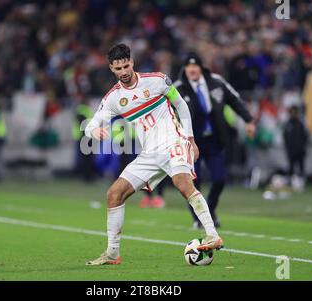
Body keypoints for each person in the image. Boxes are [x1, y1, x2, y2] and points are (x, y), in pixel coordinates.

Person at [84, 44, 222, 265]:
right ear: (111, 68)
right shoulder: (113, 98)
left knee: (182, 183)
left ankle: (212, 235)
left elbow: (181, 105)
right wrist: (94, 130)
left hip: (173, 142)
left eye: (126, 65)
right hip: (149, 153)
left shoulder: (158, 80)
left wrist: (190, 139)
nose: (124, 72)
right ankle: (112, 253)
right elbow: (91, 124)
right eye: (118, 68)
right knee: (114, 194)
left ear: (132, 62)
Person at [175, 53, 255, 229]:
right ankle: (198, 218)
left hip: (214, 140)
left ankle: (208, 212)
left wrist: (248, 120)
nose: (192, 70)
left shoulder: (216, 82)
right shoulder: (178, 88)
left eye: (195, 66)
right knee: (193, 183)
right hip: (190, 143)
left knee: (219, 178)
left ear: (201, 68)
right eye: (189, 67)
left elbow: (234, 99)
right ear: (185, 69)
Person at [283, 105, 308, 178]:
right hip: (291, 150)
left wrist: (302, 146)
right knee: (291, 168)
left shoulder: (300, 124)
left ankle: (302, 181)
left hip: (300, 150)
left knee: (301, 168)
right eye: (292, 112)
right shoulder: (288, 124)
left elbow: (305, 136)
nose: (293, 114)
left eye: (295, 112)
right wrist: (288, 148)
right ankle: (290, 182)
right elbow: (285, 137)